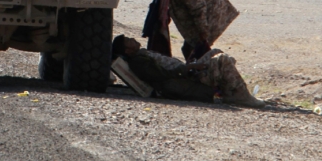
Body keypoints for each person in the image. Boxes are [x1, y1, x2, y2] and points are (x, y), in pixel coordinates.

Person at [112, 35, 265, 108]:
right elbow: (160, 76)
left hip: (187, 72)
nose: (132, 38)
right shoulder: (138, 62)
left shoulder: (141, 55)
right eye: (128, 40)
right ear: (127, 49)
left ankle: (231, 89)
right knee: (223, 59)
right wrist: (189, 69)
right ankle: (239, 95)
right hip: (188, 78)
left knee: (216, 52)